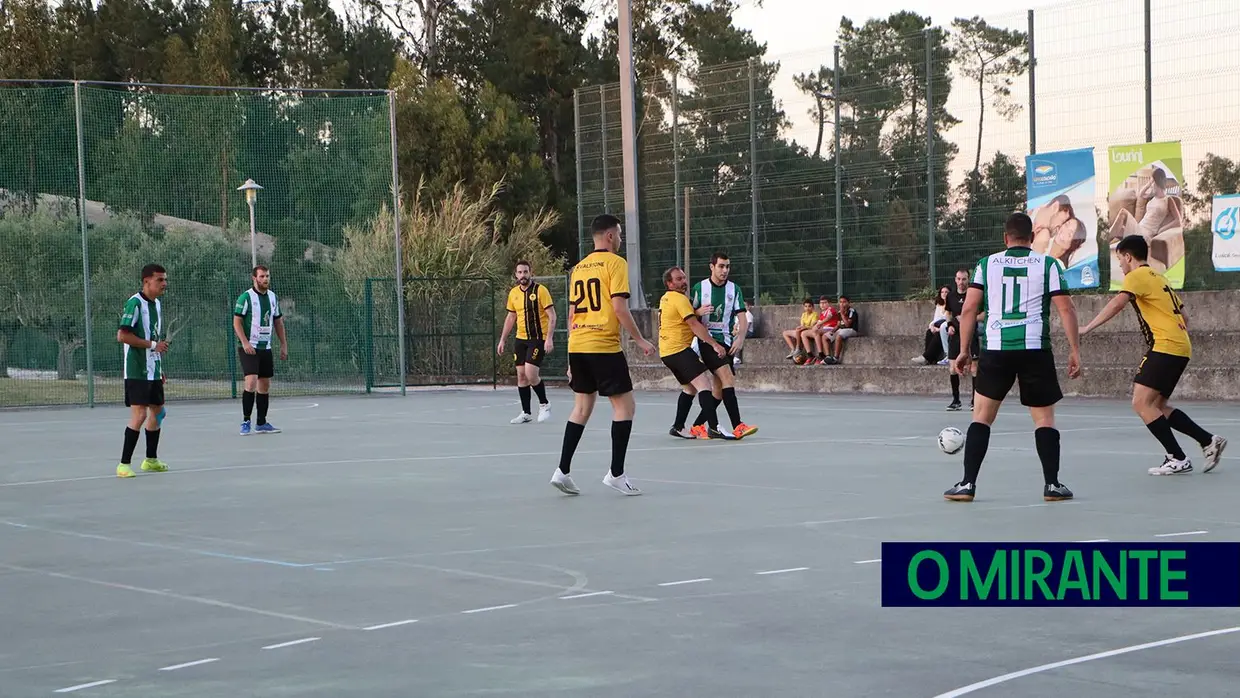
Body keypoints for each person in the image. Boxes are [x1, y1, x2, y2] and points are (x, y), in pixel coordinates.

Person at [944, 212, 1082, 503]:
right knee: (1044, 418)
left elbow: (968, 310)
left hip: (996, 348)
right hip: (1035, 348)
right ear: (1032, 239)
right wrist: (1074, 350)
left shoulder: (987, 264)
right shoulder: (1049, 264)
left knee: (981, 416)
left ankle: (967, 484)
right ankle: (1052, 485)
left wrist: (964, 350)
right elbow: (1066, 309)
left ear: (1005, 238)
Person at [1080, 235, 1227, 474]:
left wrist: (1087, 328)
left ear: (1128, 256)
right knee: (1157, 405)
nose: (1120, 265)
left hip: (1165, 345)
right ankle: (1208, 440)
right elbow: (1185, 317)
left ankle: (1177, 458)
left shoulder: (1135, 276)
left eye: (1120, 259)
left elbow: (1117, 304)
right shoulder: (1160, 278)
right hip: (1181, 345)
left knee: (1141, 402)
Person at [551, 214, 655, 496]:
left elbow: (572, 315)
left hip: (579, 345)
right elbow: (619, 308)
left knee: (581, 408)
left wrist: (571, 357)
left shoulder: (579, 268)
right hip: (603, 346)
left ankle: (562, 471)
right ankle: (616, 473)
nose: (620, 239)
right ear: (609, 236)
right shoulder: (616, 263)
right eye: (619, 234)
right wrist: (640, 339)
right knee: (625, 408)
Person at [688, 252, 758, 438]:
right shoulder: (699, 288)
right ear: (712, 267)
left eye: (727, 266)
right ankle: (738, 425)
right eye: (721, 266)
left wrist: (740, 338)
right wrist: (697, 311)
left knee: (718, 391)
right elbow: (688, 317)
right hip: (707, 341)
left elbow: (742, 317)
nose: (725, 270)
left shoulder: (734, 289)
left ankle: (697, 425)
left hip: (727, 341)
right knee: (728, 378)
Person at [116, 264, 171, 478]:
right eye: (159, 280)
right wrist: (152, 346)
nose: (164, 283)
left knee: (159, 413)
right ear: (146, 281)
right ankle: (123, 464)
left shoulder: (156, 304)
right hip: (137, 370)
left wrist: (158, 366)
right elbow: (122, 335)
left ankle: (150, 459)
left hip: (152, 369)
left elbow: (154, 339)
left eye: (165, 279)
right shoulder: (135, 303)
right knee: (139, 415)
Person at [658, 266, 726, 439]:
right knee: (705, 386)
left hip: (667, 352)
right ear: (669, 283)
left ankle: (678, 426)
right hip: (679, 350)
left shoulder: (665, 299)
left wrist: (695, 312)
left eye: (684, 278)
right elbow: (694, 325)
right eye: (678, 279)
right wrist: (714, 345)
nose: (684, 282)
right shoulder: (679, 299)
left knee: (689, 388)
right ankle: (714, 427)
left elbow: (679, 319)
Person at [497, 260, 557, 424]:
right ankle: (526, 412)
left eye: (525, 272)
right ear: (516, 275)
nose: (523, 275)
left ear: (531, 273)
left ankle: (544, 404)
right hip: (520, 339)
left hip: (538, 339)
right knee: (521, 376)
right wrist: (502, 339)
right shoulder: (514, 293)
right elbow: (511, 317)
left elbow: (552, 315)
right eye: (520, 272)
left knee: (531, 373)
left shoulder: (540, 291)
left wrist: (549, 338)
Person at [233, 265, 287, 435]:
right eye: (262, 276)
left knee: (264, 385)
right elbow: (237, 322)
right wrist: (245, 342)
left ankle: (261, 423)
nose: (265, 279)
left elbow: (278, 322)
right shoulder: (246, 297)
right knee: (251, 381)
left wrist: (283, 344)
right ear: (254, 278)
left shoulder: (272, 298)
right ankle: (246, 420)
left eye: (267, 276)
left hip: (266, 347)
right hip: (249, 348)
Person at [821, 295, 860, 364]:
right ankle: (828, 356)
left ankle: (836, 358)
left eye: (844, 302)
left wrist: (842, 314)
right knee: (825, 337)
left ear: (849, 303)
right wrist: (833, 330)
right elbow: (838, 324)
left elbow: (848, 324)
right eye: (840, 302)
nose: (842, 304)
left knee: (839, 336)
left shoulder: (852, 311)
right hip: (841, 330)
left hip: (851, 330)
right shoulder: (839, 312)